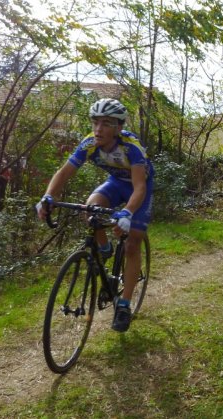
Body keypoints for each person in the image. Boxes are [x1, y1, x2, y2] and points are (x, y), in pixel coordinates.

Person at [37, 98, 154, 333]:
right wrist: (48, 196)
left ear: (118, 127)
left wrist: (127, 213)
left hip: (139, 187)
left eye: (107, 124)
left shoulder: (131, 147)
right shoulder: (89, 144)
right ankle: (104, 249)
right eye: (96, 122)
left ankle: (124, 304)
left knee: (132, 244)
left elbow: (140, 187)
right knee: (90, 208)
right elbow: (64, 172)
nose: (99, 129)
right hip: (115, 183)